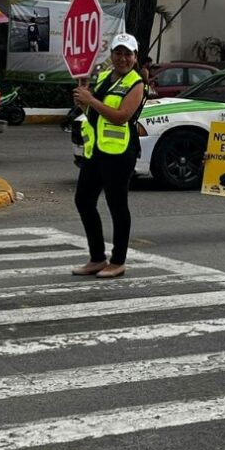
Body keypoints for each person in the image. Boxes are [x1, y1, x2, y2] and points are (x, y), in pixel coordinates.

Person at [71, 33, 148, 278]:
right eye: (118, 53)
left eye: (128, 54)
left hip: (120, 153)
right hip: (97, 151)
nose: (122, 58)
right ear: (112, 55)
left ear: (135, 58)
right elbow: (93, 111)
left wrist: (91, 100)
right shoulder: (105, 77)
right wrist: (82, 100)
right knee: (83, 200)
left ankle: (118, 261)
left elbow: (121, 116)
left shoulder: (136, 83)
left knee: (117, 205)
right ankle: (96, 257)